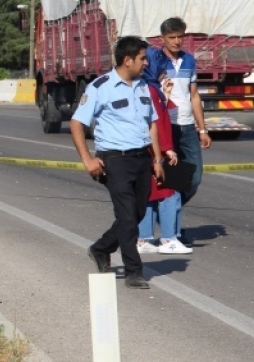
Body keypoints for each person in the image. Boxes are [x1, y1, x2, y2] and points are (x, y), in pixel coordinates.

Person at [71, 36, 164, 289]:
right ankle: (134, 270)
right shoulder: (100, 87)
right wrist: (88, 159)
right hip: (114, 160)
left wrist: (157, 159)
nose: (146, 63)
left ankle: (100, 248)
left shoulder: (144, 86)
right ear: (127, 60)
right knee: (126, 215)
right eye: (143, 58)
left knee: (137, 213)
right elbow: (77, 123)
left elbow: (152, 124)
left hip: (141, 158)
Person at [148, 17, 211, 244]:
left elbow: (194, 95)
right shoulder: (155, 61)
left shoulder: (189, 61)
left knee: (194, 178)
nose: (176, 41)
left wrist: (202, 129)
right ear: (162, 38)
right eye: (171, 37)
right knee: (172, 179)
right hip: (166, 127)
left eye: (180, 37)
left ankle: (165, 215)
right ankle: (171, 230)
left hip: (187, 127)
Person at [136, 65, 192, 255]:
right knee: (170, 194)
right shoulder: (151, 90)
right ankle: (169, 238)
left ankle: (144, 238)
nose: (164, 74)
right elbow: (158, 123)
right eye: (161, 70)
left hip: (150, 149)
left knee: (151, 194)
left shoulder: (149, 89)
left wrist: (165, 95)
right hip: (158, 150)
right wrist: (167, 149)